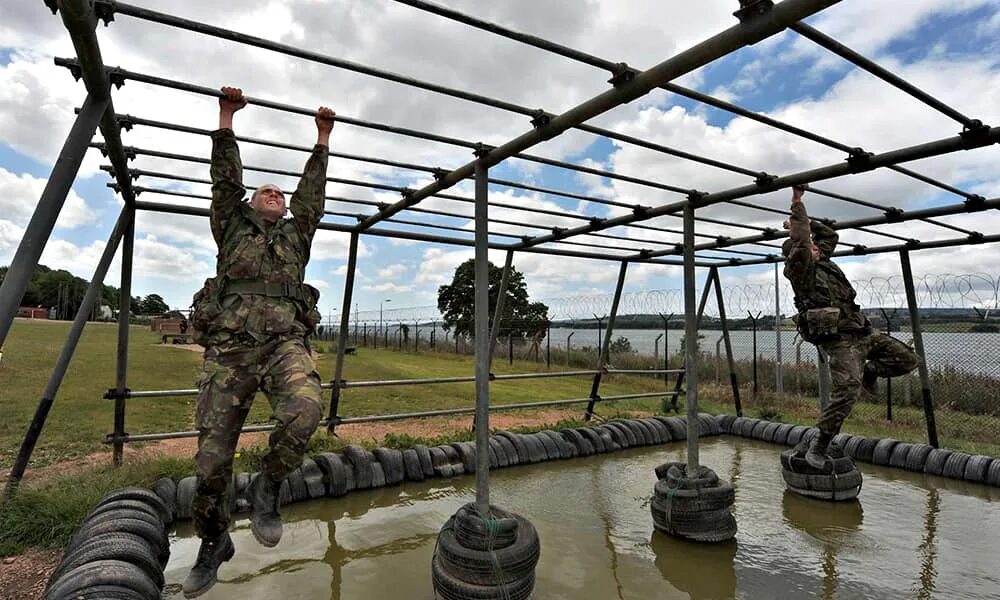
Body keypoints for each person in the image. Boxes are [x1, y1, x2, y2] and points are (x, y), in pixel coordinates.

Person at [183, 86, 334, 598]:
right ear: (249, 204)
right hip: (230, 351)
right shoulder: (230, 227)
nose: (277, 195)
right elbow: (223, 178)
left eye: (280, 194)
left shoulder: (297, 236)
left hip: (284, 345)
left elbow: (312, 192)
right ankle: (213, 541)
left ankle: (269, 485)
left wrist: (322, 137)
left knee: (307, 410)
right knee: (210, 464)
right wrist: (225, 117)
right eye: (266, 192)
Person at [782, 185, 918, 471]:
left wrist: (812, 225)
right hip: (840, 341)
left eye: (817, 246)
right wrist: (797, 203)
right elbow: (804, 242)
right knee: (847, 391)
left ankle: (871, 370)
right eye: (811, 246)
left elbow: (829, 235)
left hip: (863, 332)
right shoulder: (800, 270)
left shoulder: (826, 262)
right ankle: (820, 442)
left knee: (907, 359)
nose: (817, 247)